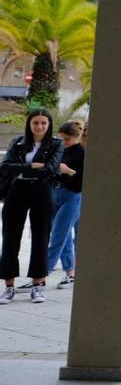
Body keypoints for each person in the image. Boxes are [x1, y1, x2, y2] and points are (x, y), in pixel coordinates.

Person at [0, 109, 63, 304]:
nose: (39, 126)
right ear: (29, 124)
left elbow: (50, 169)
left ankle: (37, 285)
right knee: (10, 237)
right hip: (17, 189)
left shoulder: (56, 144)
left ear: (49, 125)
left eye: (44, 123)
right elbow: (5, 166)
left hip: (42, 191)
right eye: (36, 122)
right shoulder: (18, 142)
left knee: (41, 237)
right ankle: (9, 287)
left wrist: (25, 168)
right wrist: (30, 166)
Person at [46, 121, 85, 290]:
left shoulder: (82, 152)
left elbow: (84, 179)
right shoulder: (59, 149)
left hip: (72, 195)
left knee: (58, 235)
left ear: (76, 137)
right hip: (55, 193)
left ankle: (40, 274)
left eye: (67, 139)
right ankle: (70, 273)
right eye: (61, 138)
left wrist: (68, 171)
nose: (64, 142)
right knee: (65, 236)